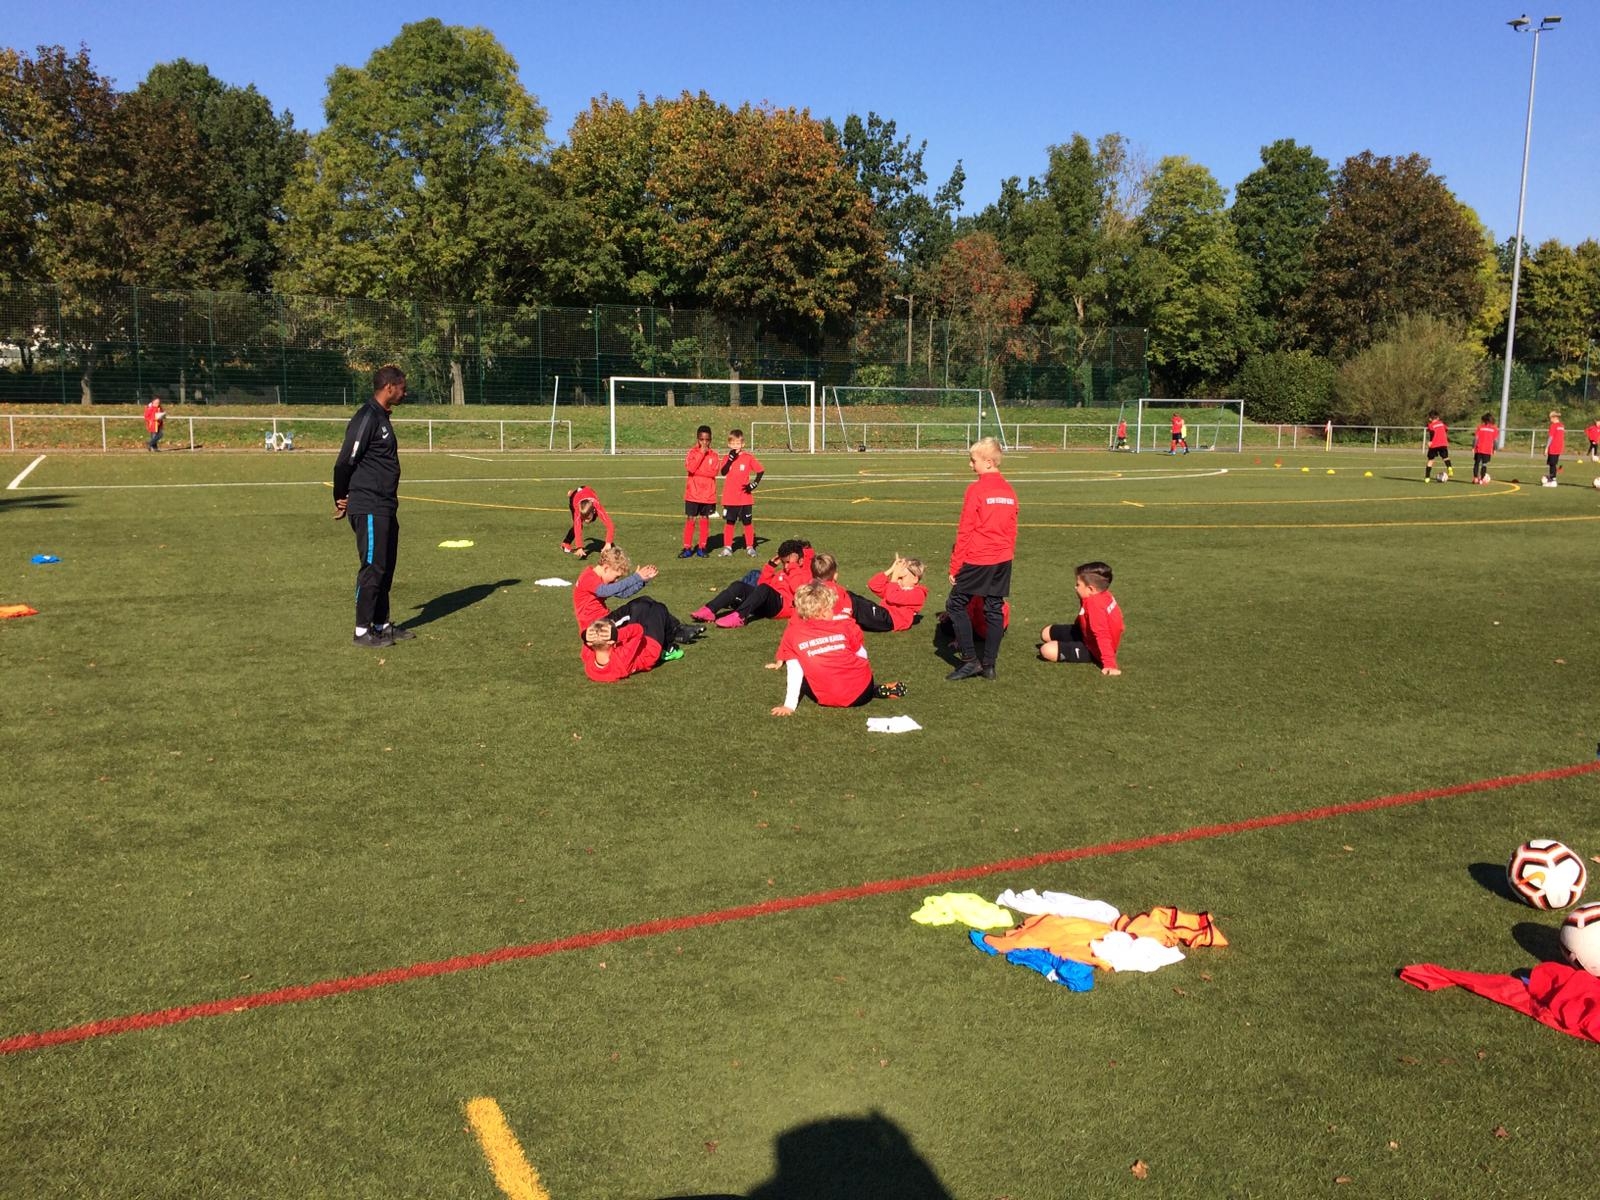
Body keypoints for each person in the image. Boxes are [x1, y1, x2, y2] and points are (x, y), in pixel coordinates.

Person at [333, 364, 410, 648]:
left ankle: (381, 624)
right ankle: (362, 630)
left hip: (386, 505)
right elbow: (345, 461)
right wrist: (340, 496)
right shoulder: (366, 416)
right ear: (389, 387)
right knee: (373, 567)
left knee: (385, 566)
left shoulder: (382, 417)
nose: (405, 393)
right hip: (369, 504)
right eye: (402, 388)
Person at [767, 583, 906, 716]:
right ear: (822, 613)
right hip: (862, 694)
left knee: (806, 675)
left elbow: (794, 670)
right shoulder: (845, 625)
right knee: (857, 672)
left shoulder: (792, 633)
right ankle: (873, 690)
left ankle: (861, 688)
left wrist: (789, 706)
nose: (833, 611)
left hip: (826, 699)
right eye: (830, 608)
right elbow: (862, 655)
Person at [945, 437, 1018, 681]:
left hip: (979, 558)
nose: (970, 464)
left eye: (973, 460)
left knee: (955, 604)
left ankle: (970, 661)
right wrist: (1006, 554)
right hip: (1003, 559)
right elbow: (1012, 528)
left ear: (988, 462)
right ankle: (989, 665)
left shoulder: (976, 490)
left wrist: (955, 566)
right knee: (994, 608)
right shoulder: (1009, 491)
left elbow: (965, 530)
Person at [692, 539, 813, 628]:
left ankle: (739, 617)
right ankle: (709, 610)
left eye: (788, 562)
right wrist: (770, 567)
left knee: (764, 588)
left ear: (801, 561)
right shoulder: (784, 571)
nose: (786, 566)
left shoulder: (807, 573)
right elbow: (761, 586)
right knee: (739, 586)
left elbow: (798, 590)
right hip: (768, 605)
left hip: (783, 608)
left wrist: (793, 566)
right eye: (784, 562)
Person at [1038, 561, 1124, 677]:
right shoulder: (1103, 594)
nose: (1075, 587)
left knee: (1046, 650)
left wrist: (1110, 664)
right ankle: (1073, 643)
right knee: (1046, 633)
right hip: (1086, 634)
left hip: (1095, 649)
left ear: (1090, 589)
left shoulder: (1095, 605)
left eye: (1078, 584)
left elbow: (1102, 634)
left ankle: (1090, 654)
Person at [580, 607, 687, 683]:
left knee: (643, 604)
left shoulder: (589, 661)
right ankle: (668, 646)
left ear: (589, 643)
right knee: (659, 609)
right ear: (612, 641)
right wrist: (617, 635)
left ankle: (676, 631)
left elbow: (587, 646)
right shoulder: (621, 658)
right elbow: (638, 630)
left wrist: (585, 635)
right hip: (650, 650)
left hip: (632, 647)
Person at [851, 554, 928, 633]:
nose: (898, 579)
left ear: (915, 579)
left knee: (856, 603)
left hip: (891, 621)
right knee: (850, 596)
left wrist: (894, 577)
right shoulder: (895, 587)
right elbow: (873, 585)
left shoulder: (918, 594)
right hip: (883, 615)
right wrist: (891, 570)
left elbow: (892, 597)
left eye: (901, 577)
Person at [718, 429, 764, 557]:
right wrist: (730, 460)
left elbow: (760, 470)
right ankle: (728, 547)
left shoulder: (748, 458)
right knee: (730, 522)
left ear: (743, 444)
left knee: (747, 522)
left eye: (738, 443)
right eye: (733, 443)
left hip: (745, 497)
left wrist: (754, 484)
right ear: (729, 444)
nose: (735, 446)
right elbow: (723, 472)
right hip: (730, 498)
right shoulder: (727, 458)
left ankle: (750, 547)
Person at [681, 425, 721, 557]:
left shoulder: (714, 455)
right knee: (690, 519)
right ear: (697, 439)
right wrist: (701, 453)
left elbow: (713, 472)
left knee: (704, 520)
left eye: (707, 440)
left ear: (711, 440)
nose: (704, 442)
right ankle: (687, 548)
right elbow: (691, 468)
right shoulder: (692, 453)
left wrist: (699, 471)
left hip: (708, 495)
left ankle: (702, 547)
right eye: (702, 439)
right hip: (693, 494)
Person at [561, 485, 614, 558]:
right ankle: (566, 543)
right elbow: (577, 527)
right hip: (575, 498)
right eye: (583, 517)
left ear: (594, 510)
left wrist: (608, 543)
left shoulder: (597, 505)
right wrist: (579, 547)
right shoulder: (577, 509)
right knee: (578, 524)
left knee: (591, 518)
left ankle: (574, 492)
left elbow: (610, 524)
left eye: (587, 517)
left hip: (586, 489)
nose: (585, 520)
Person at [807, 552, 854, 620]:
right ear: (835, 575)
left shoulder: (807, 591)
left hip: (813, 624)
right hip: (837, 624)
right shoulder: (840, 591)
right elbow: (847, 612)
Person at [1423, 411, 1451, 483]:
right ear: (1438, 418)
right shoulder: (1441, 423)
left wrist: (1431, 441)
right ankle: (1449, 468)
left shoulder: (1431, 425)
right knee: (1445, 457)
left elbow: (1432, 432)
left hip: (1434, 444)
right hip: (1443, 443)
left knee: (1430, 460)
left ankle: (1427, 477)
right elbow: (1446, 429)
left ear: (1430, 418)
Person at [1471, 413, 1498, 484]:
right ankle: (1482, 479)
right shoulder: (1494, 429)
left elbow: (1476, 438)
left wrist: (1473, 447)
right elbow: (1495, 440)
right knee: (1484, 464)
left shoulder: (1480, 427)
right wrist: (1495, 449)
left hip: (1479, 449)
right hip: (1487, 450)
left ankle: (1475, 478)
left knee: (1476, 463)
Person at [1543, 410, 1565, 487]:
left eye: (1550, 417)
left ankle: (1552, 481)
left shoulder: (1553, 426)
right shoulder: (1561, 426)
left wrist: (1546, 447)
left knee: (1552, 464)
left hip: (1553, 447)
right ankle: (1552, 479)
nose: (1550, 419)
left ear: (1554, 417)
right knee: (1554, 464)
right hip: (1559, 447)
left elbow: (1551, 437)